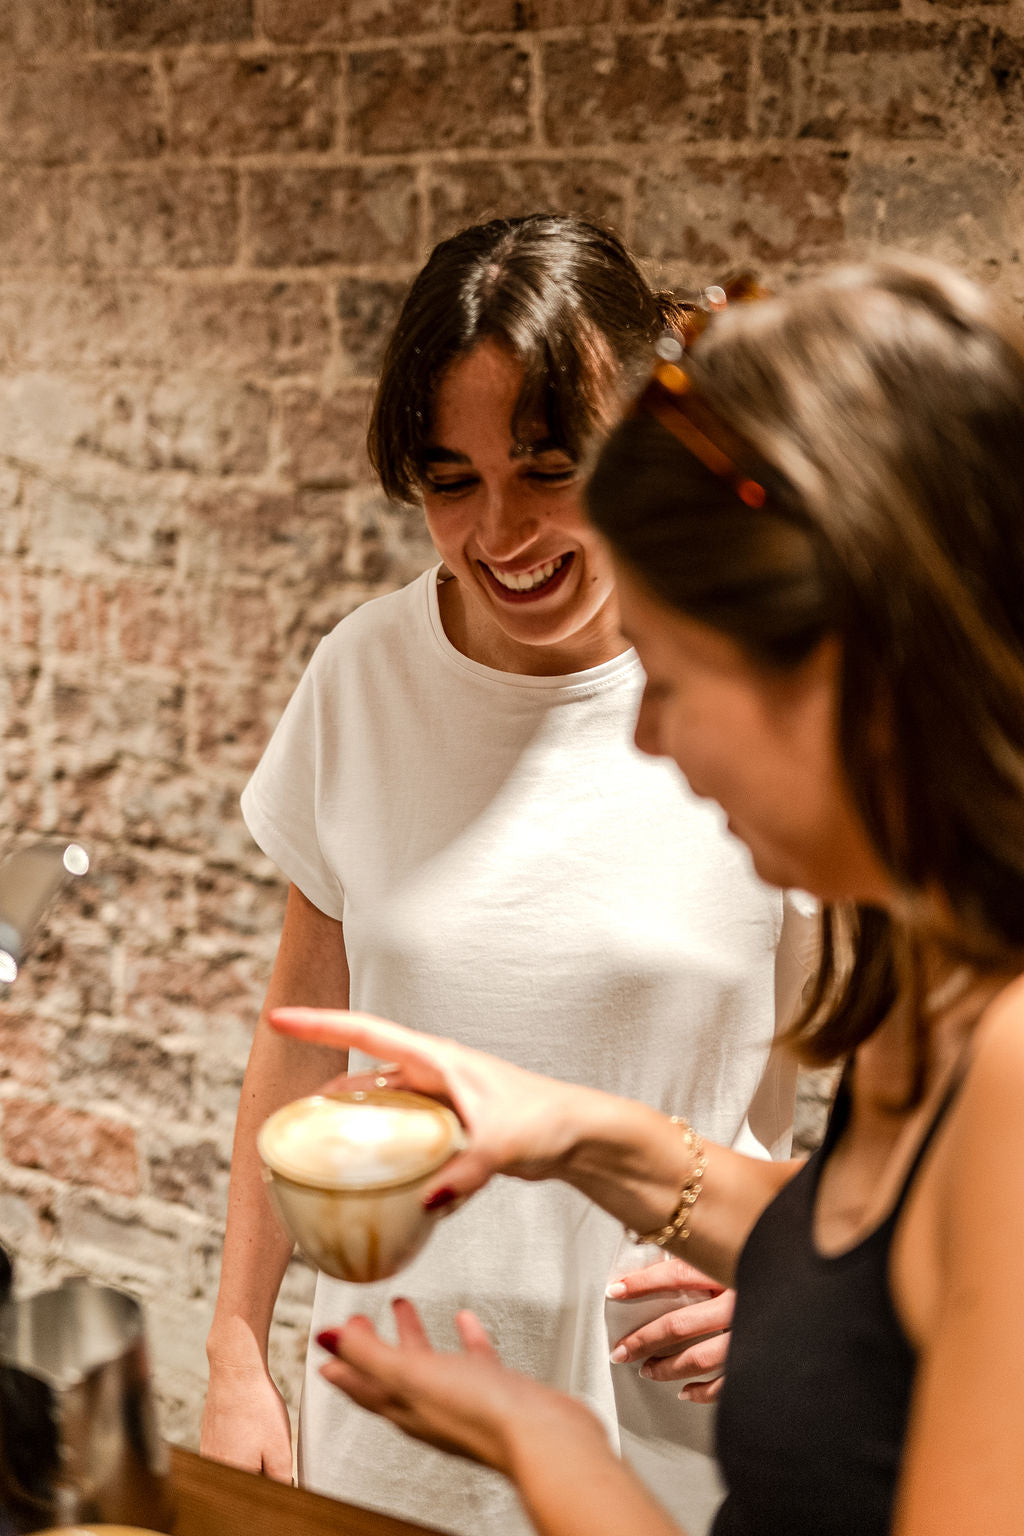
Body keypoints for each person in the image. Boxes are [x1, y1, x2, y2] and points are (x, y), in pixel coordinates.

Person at [270, 255, 1024, 1536]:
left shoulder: (1005, 1057)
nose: (648, 736)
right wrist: (574, 1131)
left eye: (672, 677)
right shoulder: (933, 976)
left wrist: (551, 1453)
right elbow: (880, 1263)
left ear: (841, 667)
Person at [200, 215, 815, 1536]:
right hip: (398, 1401)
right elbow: (300, 1042)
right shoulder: (362, 677)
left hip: (672, 1426)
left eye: (550, 468)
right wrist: (239, 1349)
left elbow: (916, 1087)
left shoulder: (763, 698)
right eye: (451, 480)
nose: (501, 531)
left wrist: (807, 1273)